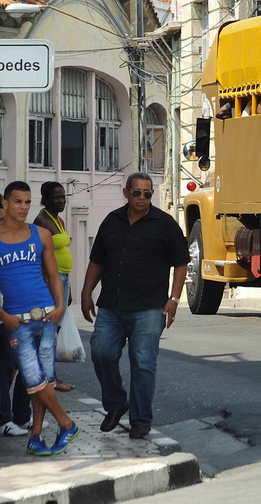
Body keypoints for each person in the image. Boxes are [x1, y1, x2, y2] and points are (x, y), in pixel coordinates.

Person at [81, 172, 192, 439]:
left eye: (147, 193)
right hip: (111, 306)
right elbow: (97, 260)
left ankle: (140, 420)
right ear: (126, 193)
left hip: (149, 308)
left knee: (143, 363)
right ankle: (117, 404)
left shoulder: (164, 224)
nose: (142, 198)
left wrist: (174, 300)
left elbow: (181, 262)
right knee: (100, 352)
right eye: (137, 193)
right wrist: (86, 292)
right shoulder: (111, 221)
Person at [0, 181, 79, 456]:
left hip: (47, 315)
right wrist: (2, 316)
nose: (23, 207)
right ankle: (66, 424)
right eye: (18, 202)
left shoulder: (41, 234)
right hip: (17, 321)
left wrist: (59, 307)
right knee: (35, 380)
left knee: (41, 379)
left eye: (27, 202)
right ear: (6, 204)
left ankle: (35, 436)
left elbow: (53, 275)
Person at [0, 191, 31, 439]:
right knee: (3, 368)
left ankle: (20, 416)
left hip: (16, 313)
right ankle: (4, 420)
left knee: (20, 365)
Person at [34, 181, 76, 390]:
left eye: (63, 197)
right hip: (52, 278)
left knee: (55, 329)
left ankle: (51, 376)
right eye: (56, 197)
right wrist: (53, 287)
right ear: (45, 199)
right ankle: (49, 378)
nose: (61, 201)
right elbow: (40, 255)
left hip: (63, 277)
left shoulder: (57, 219)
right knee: (49, 330)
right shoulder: (41, 220)